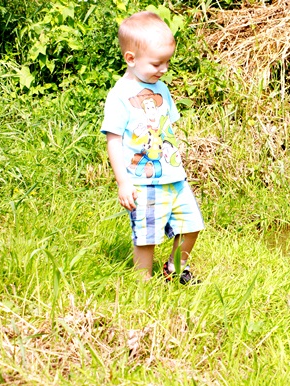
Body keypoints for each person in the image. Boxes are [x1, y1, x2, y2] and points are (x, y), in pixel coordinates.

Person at [101, 11, 203, 284]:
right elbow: (113, 140)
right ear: (131, 58)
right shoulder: (120, 95)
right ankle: (142, 283)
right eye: (157, 63)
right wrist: (123, 182)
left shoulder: (162, 89)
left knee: (191, 225)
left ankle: (174, 269)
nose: (164, 69)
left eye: (167, 62)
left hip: (174, 177)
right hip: (142, 182)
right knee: (147, 237)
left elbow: (167, 130)